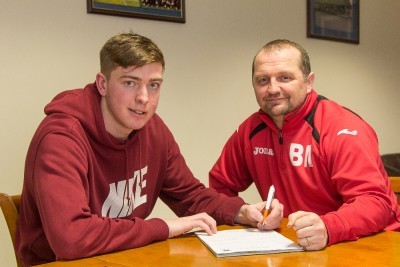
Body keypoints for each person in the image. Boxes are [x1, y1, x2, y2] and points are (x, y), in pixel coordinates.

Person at [15, 32, 283, 266]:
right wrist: (164, 227)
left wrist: (241, 212)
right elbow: (71, 239)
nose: (144, 98)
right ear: (102, 84)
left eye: (153, 85)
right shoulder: (62, 137)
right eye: (130, 82)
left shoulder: (153, 130)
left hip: (123, 257)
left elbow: (190, 196)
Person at [209, 39, 400, 251]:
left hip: (372, 244)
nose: (273, 89)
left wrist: (328, 227)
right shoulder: (250, 131)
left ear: (309, 82)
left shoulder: (341, 128)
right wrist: (244, 213)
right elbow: (219, 187)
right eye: (263, 80)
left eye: (285, 77)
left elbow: (375, 204)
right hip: (298, 247)